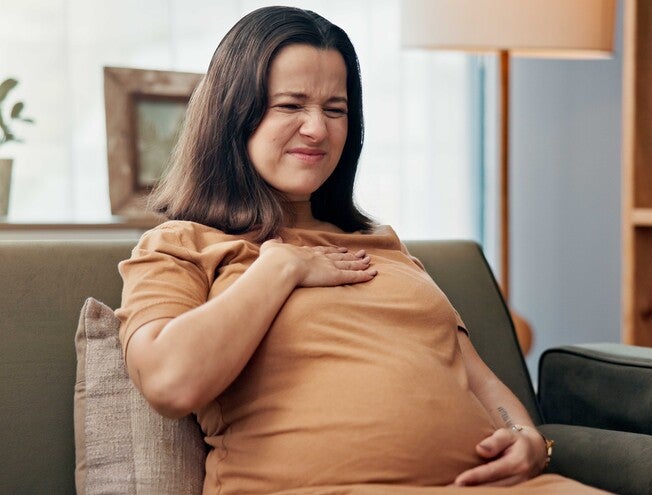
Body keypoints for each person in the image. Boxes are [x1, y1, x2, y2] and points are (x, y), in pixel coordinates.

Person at [116, 6, 608, 495]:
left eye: (335, 109)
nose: (318, 129)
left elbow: (473, 374)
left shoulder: (383, 244)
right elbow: (169, 382)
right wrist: (280, 269)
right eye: (291, 105)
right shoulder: (183, 244)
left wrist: (525, 438)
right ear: (234, 114)